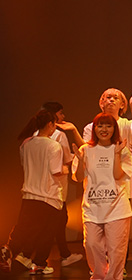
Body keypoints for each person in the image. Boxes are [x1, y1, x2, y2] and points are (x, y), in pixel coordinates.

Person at [2, 110, 66, 274]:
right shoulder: (53, 145)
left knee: (26, 228)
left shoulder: (26, 143)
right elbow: (56, 171)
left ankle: (13, 251)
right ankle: (39, 264)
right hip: (48, 196)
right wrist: (69, 168)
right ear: (50, 124)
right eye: (54, 124)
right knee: (47, 232)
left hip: (29, 195)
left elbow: (25, 165)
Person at [74, 112, 132, 280]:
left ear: (114, 129)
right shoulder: (85, 150)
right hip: (92, 207)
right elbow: (78, 177)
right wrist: (81, 161)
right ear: (94, 129)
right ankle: (98, 278)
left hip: (117, 207)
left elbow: (118, 175)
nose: (104, 129)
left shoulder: (122, 149)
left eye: (108, 126)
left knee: (116, 249)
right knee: (91, 244)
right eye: (100, 126)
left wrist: (116, 154)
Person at [40, 101, 83, 268]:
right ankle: (42, 258)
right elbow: (66, 158)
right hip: (56, 186)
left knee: (50, 221)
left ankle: (62, 253)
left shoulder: (34, 136)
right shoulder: (59, 135)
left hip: (40, 187)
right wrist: (79, 156)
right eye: (60, 113)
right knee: (57, 220)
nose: (63, 117)